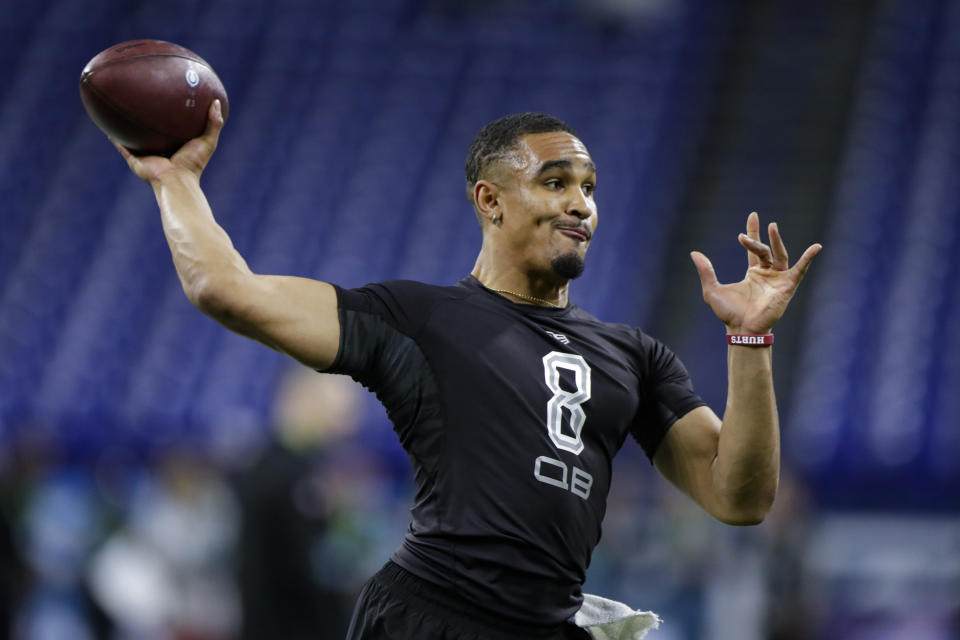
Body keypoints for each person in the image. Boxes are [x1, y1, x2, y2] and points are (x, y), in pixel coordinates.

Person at [113, 101, 821, 639]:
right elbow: (225, 289)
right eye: (555, 181)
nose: (581, 203)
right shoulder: (417, 319)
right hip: (433, 615)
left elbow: (742, 498)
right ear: (490, 200)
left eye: (589, 186)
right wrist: (175, 179)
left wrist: (749, 343)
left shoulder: (636, 356)